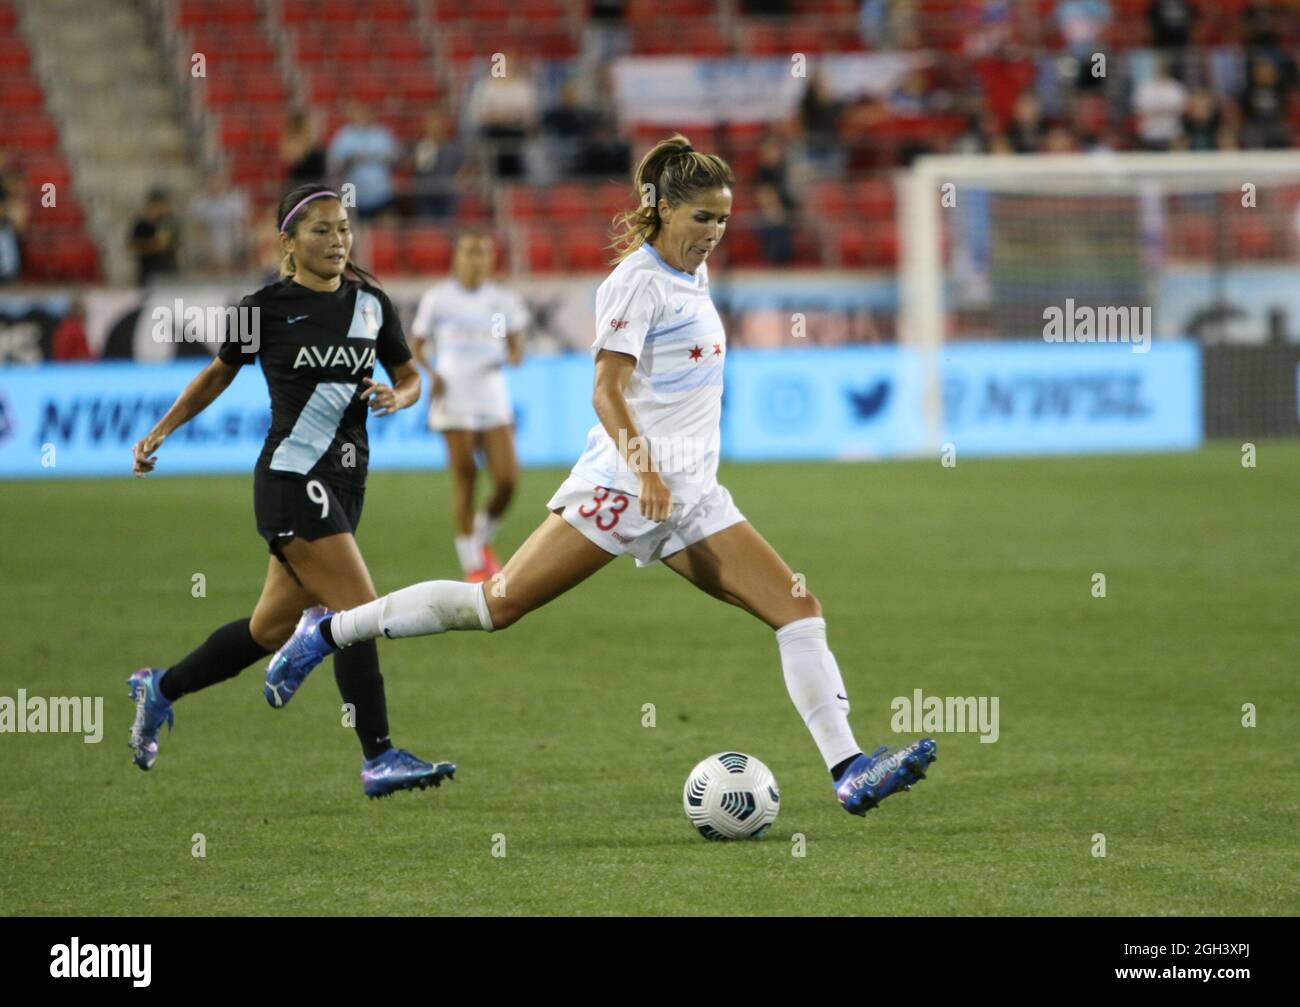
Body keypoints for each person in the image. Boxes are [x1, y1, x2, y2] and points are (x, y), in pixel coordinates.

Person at [264, 136, 937, 817]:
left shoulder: (691, 275)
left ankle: (849, 769)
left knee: (799, 611)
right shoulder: (634, 282)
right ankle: (328, 632)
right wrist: (645, 470)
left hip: (693, 495)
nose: (714, 233)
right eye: (701, 217)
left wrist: (671, 477)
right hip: (623, 486)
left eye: (723, 219)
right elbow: (605, 391)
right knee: (495, 605)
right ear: (663, 211)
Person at [126, 182, 451, 799]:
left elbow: (410, 377)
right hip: (290, 480)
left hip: (348, 481)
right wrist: (161, 429)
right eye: (321, 230)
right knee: (359, 612)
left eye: (344, 230)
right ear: (289, 241)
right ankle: (378, 757)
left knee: (265, 630)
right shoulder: (264, 307)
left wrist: (397, 396)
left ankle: (161, 687)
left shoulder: (372, 304)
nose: (336, 241)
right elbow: (216, 375)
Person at [411, 232, 527, 582]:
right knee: (466, 477)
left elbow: (516, 349)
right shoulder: (439, 299)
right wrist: (432, 374)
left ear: (490, 259)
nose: (476, 260)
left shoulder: (500, 300)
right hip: (454, 394)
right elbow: (416, 345)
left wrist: (507, 353)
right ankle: (472, 562)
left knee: (507, 480)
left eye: (482, 254)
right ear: (457, 258)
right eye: (469, 253)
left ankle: (480, 538)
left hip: (490, 395)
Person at [128, 188, 179, 287]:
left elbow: (162, 244)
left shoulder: (168, 222)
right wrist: (150, 245)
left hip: (167, 272)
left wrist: (144, 245)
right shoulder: (141, 224)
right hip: (147, 273)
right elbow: (132, 247)